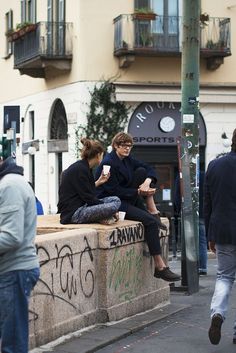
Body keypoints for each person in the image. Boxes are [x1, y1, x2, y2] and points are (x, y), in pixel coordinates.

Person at [95, 132, 180, 282]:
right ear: (115, 146)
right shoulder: (108, 163)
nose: (127, 149)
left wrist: (147, 181)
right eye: (124, 146)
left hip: (128, 197)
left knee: (141, 172)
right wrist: (138, 191)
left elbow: (147, 168)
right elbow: (112, 191)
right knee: (151, 222)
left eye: (129, 146)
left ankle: (152, 209)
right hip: (114, 203)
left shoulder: (127, 160)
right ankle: (160, 267)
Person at [0, 156, 40, 353]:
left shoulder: (10, 186)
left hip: (14, 271)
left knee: (13, 345)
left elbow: (11, 236)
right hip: (12, 270)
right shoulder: (10, 182)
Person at [205, 128, 236, 345]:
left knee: (224, 276)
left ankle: (217, 313)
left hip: (223, 230)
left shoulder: (215, 165)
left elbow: (208, 204)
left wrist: (210, 234)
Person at [57, 138, 121, 224]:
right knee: (114, 205)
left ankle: (100, 217)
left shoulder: (84, 167)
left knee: (115, 200)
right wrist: (110, 210)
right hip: (74, 213)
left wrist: (99, 181)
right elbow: (89, 198)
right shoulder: (81, 169)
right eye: (102, 155)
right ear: (98, 155)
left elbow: (84, 190)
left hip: (81, 206)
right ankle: (101, 217)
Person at [174, 171, 208, 275]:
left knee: (189, 239)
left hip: (188, 211)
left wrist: (178, 209)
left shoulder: (182, 175)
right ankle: (202, 268)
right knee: (202, 241)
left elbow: (177, 194)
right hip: (202, 212)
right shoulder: (204, 175)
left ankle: (191, 267)